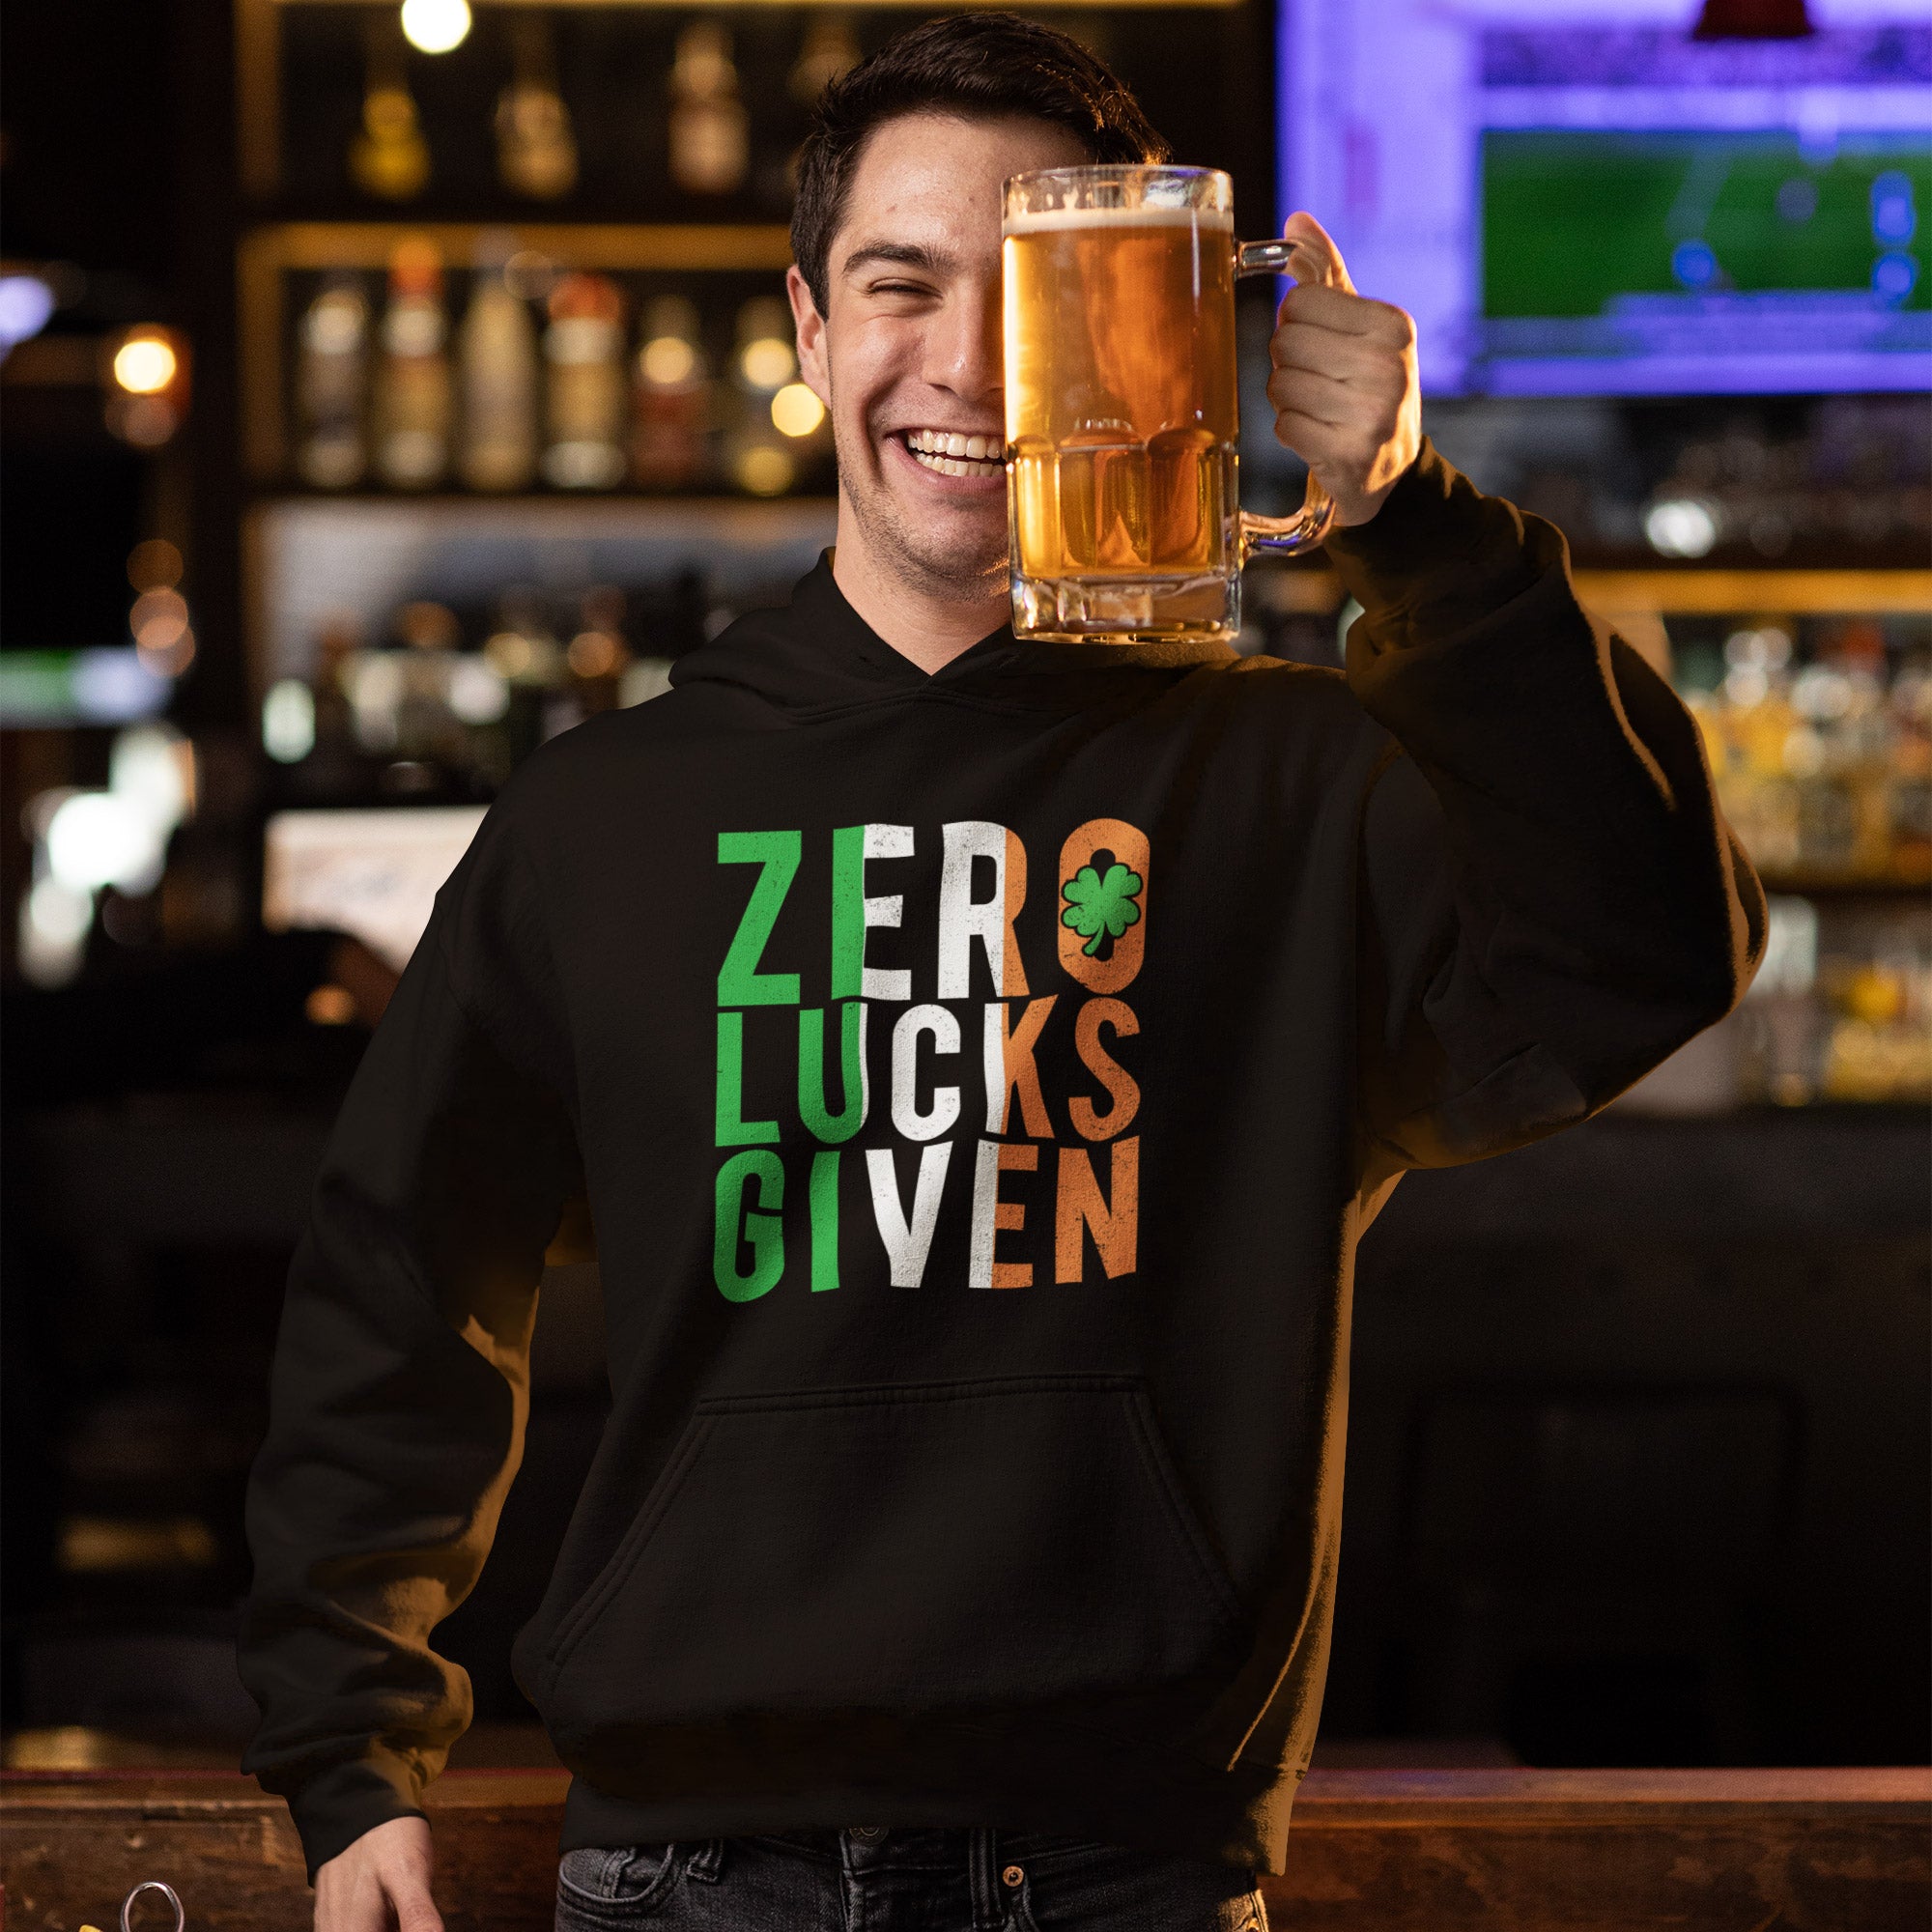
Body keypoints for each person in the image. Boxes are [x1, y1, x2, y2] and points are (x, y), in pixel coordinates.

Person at [239, 15, 1765, 1931]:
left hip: (1122, 1861)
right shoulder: (606, 812)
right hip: (683, 1870)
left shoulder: (1286, 785)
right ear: (805, 330)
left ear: (1137, 318)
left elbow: (1646, 955)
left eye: (1026, 295)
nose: (962, 364)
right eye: (899, 285)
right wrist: (349, 1738)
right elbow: (400, 1273)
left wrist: (1414, 521)